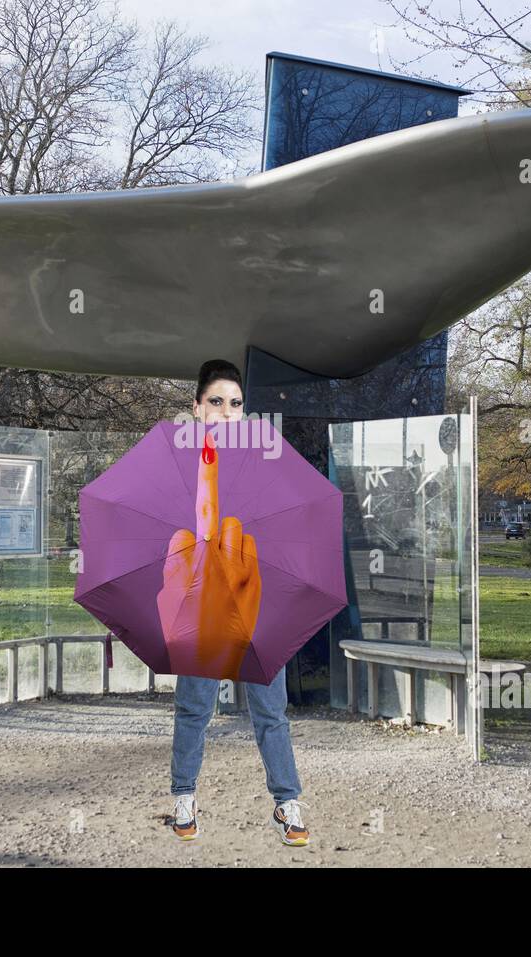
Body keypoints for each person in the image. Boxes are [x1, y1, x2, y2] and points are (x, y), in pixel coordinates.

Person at [168, 358, 310, 846]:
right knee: (194, 709)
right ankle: (183, 798)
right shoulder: (178, 466)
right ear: (197, 407)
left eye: (235, 404)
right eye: (216, 403)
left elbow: (285, 526)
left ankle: (287, 802)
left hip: (255, 600)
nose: (227, 412)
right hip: (202, 604)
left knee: (271, 711)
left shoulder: (262, 463)